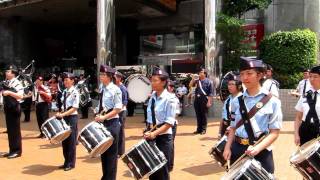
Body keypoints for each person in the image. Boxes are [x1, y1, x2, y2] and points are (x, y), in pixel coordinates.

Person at [223, 57, 282, 175]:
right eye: (242, 74)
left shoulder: (273, 101)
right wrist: (227, 147)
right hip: (238, 149)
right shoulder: (236, 101)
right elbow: (233, 127)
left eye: (249, 73)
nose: (245, 78)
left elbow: (274, 132)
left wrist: (257, 148)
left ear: (259, 75)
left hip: (262, 151)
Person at [143, 67, 175, 180]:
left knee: (162, 173)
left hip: (163, 139)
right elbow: (150, 118)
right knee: (152, 171)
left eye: (155, 80)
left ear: (163, 82)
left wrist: (154, 133)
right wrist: (147, 131)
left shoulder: (170, 99)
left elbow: (169, 122)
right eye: (151, 80)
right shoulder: (152, 97)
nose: (152, 83)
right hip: (151, 137)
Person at [94, 65, 122, 180]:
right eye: (100, 74)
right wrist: (97, 112)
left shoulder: (115, 89)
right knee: (103, 152)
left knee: (111, 155)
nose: (101, 76)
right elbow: (102, 104)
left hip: (112, 123)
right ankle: (105, 176)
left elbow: (117, 108)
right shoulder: (102, 88)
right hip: (103, 123)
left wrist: (104, 117)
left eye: (103, 75)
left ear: (109, 76)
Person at [56, 72, 80, 171]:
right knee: (64, 140)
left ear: (72, 81)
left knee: (71, 141)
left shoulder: (75, 92)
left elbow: (74, 107)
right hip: (64, 117)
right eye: (64, 80)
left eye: (67, 80)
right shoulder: (65, 91)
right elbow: (63, 106)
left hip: (71, 118)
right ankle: (66, 161)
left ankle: (71, 163)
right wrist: (60, 113)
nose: (65, 81)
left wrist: (63, 114)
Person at [1, 65, 24, 159]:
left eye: (8, 71)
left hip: (14, 108)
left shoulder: (17, 83)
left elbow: (20, 96)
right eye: (6, 71)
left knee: (15, 131)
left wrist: (10, 92)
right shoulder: (6, 82)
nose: (6, 72)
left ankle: (17, 151)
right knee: (10, 131)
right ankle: (12, 150)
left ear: (13, 74)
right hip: (8, 107)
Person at [294, 66, 320, 146]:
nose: (312, 79)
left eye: (315, 77)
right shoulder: (305, 95)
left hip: (318, 129)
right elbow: (298, 117)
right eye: (310, 76)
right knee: (305, 157)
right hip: (305, 130)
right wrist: (296, 134)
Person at [218, 72, 242, 139]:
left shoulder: (242, 99)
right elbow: (223, 116)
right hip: (226, 127)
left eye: (232, 84)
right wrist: (220, 132)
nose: (229, 86)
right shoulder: (228, 99)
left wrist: (232, 127)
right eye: (228, 84)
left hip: (236, 129)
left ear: (239, 86)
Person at [190, 68, 213, 135]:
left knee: (204, 115)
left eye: (201, 72)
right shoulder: (197, 80)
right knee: (198, 115)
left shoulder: (209, 82)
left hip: (204, 99)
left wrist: (209, 102)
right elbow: (190, 85)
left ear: (205, 73)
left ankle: (203, 129)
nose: (200, 73)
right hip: (197, 99)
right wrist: (193, 79)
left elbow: (210, 93)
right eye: (199, 72)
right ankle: (198, 129)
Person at [114, 71, 128, 156]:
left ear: (119, 78)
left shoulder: (122, 88)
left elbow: (124, 102)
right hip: (116, 111)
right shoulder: (115, 87)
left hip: (121, 112)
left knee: (120, 132)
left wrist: (117, 111)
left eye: (115, 77)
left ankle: (120, 151)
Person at [167, 80, 180, 172]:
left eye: (170, 86)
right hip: (161, 125)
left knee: (170, 145)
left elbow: (176, 113)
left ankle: (170, 165)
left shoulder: (174, 99)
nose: (168, 88)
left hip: (171, 124)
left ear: (172, 88)